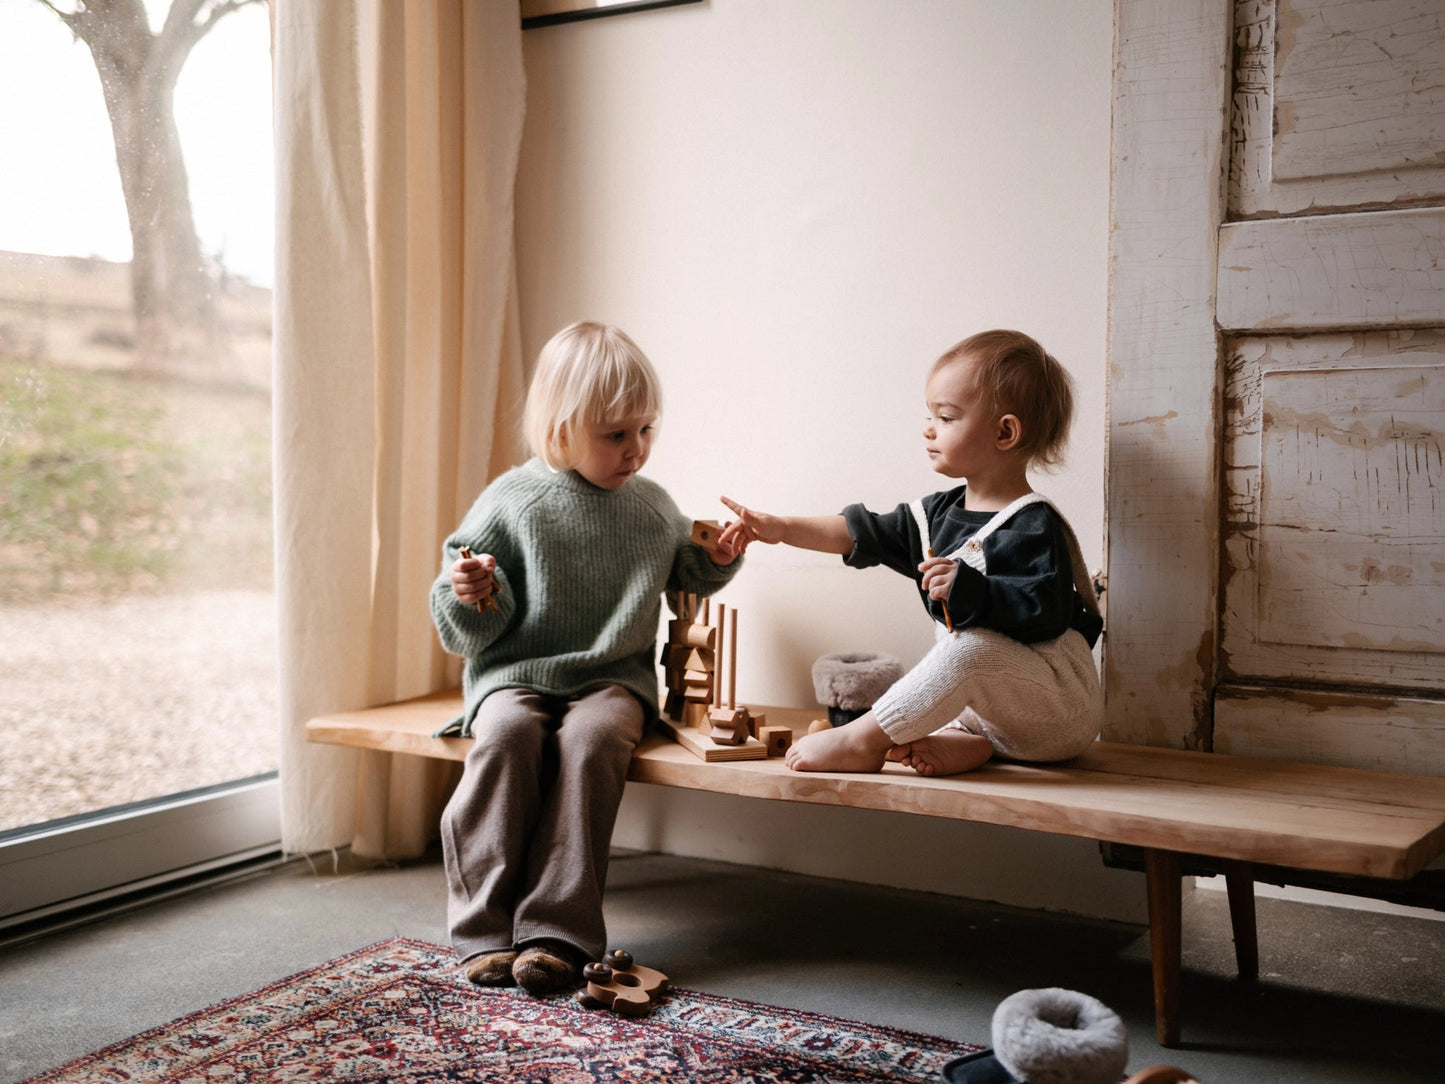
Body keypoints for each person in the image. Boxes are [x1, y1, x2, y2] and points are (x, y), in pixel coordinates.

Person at [431, 321, 742, 995]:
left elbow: (688, 572)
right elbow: (460, 620)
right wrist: (471, 590)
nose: (635, 450)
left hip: (612, 678)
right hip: (516, 673)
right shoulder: (512, 503)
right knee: (508, 734)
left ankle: (556, 930)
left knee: (594, 739)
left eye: (646, 430)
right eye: (615, 434)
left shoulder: (652, 508)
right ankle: (484, 927)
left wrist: (717, 557)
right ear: (562, 429)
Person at [719, 328, 1102, 777]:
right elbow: (858, 532)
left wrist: (972, 590)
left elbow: (1048, 614)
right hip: (995, 717)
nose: (928, 429)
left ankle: (861, 738)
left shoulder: (1033, 523)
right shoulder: (937, 515)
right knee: (955, 662)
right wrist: (781, 528)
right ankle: (969, 743)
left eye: (945, 417)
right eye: (930, 415)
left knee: (970, 650)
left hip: (1055, 713)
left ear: (1005, 432)